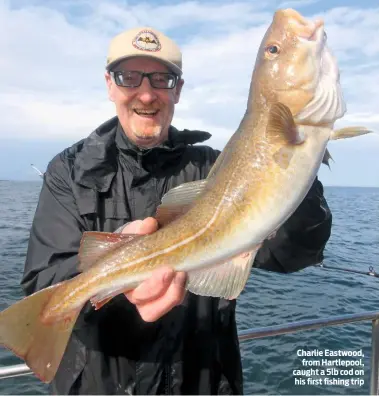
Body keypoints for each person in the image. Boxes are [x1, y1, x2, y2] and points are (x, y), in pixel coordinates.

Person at [21, 26, 332, 395]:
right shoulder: (68, 172)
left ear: (178, 89)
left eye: (162, 78)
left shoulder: (219, 170)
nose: (147, 93)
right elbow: (42, 284)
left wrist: (296, 169)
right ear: (109, 85)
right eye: (129, 77)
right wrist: (121, 286)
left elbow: (292, 254)